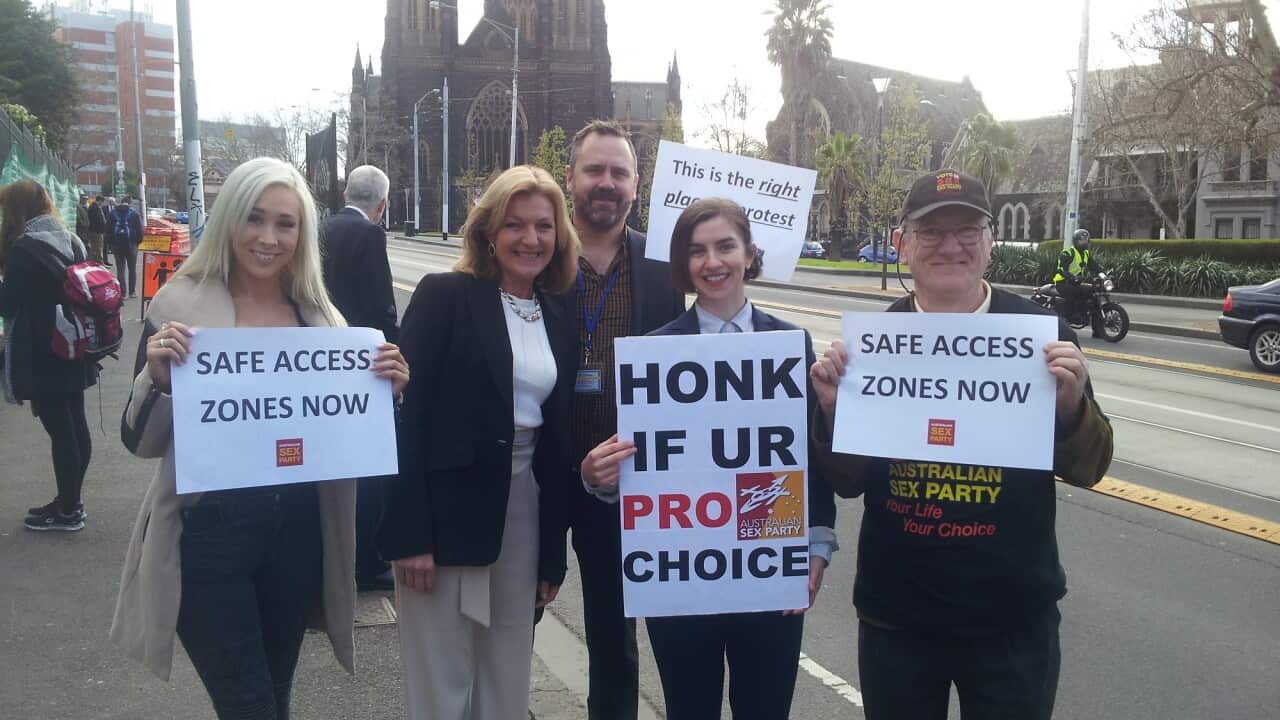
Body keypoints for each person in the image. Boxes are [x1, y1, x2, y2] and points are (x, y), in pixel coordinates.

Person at [109, 157, 410, 719]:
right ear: (229, 218)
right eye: (254, 218)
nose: (269, 238)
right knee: (249, 704)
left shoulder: (322, 319)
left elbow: (345, 437)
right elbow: (138, 442)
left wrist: (384, 392)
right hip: (209, 534)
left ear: (302, 235)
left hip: (297, 534)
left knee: (274, 694)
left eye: (285, 224)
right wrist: (158, 380)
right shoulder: (178, 305)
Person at [808, 169, 1114, 720]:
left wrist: (1071, 410)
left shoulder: (1043, 336)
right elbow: (849, 482)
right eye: (931, 231)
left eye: (968, 230)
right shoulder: (871, 348)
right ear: (902, 244)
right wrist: (833, 413)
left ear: (990, 242)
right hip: (897, 616)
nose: (951, 245)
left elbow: (1090, 467)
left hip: (1012, 618)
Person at [580, 198, 837, 720]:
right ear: (682, 262)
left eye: (725, 246)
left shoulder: (790, 343)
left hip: (766, 562)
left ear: (749, 254)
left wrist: (817, 542)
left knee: (765, 710)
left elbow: (808, 458)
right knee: (689, 709)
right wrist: (597, 476)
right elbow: (642, 463)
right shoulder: (653, 351)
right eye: (697, 251)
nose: (712, 262)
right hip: (682, 573)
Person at [380, 164, 577, 719]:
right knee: (440, 681)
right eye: (515, 224)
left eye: (543, 226)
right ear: (489, 231)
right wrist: (409, 535)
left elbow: (556, 441)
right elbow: (407, 418)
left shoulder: (558, 312)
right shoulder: (445, 295)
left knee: (507, 670)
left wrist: (552, 556)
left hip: (523, 511)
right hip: (442, 516)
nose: (530, 239)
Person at [561, 119, 684, 720]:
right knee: (514, 618)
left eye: (619, 172)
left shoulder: (661, 266)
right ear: (570, 178)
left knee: (617, 634)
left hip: (625, 478)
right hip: (544, 471)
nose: (606, 183)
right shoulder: (539, 253)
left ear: (637, 184)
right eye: (595, 170)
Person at [0, 180, 98, 532]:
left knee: (61, 432)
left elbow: (7, 305)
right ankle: (71, 501)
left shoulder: (24, 249)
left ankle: (68, 509)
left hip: (44, 351)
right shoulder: (70, 239)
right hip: (77, 343)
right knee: (76, 425)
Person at [320, 164, 399, 592]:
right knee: (371, 470)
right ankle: (368, 562)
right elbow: (379, 306)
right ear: (382, 206)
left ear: (346, 193)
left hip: (321, 363)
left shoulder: (322, 228)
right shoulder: (369, 234)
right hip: (360, 368)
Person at [1053, 228, 1104, 327]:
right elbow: (1061, 269)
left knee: (1092, 292)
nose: (1084, 242)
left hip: (1076, 282)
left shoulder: (1086, 254)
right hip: (1063, 282)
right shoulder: (1068, 253)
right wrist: (1073, 277)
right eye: (1082, 240)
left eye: (1086, 240)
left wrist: (1103, 275)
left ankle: (1092, 322)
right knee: (1075, 292)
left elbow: (1094, 266)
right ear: (1075, 241)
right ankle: (1069, 317)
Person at [108, 196, 144, 298]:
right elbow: (140, 231)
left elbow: (108, 230)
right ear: (130, 203)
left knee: (120, 269)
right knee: (132, 269)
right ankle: (132, 292)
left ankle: (122, 292)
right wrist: (137, 243)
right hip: (131, 245)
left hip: (117, 246)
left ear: (121, 202)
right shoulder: (134, 214)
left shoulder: (113, 213)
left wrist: (111, 244)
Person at [89, 195, 109, 265]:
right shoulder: (94, 208)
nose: (102, 203)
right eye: (102, 202)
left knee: (97, 247)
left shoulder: (95, 207)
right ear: (99, 200)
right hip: (96, 231)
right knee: (98, 248)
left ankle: (97, 262)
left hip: (97, 231)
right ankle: (99, 262)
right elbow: (97, 220)